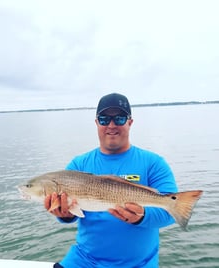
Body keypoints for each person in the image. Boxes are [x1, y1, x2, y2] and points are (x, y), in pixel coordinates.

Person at [44, 93, 178, 268]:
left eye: (120, 119)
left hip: (139, 264)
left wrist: (141, 216)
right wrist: (65, 215)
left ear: (130, 122)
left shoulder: (153, 163)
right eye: (104, 119)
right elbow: (72, 213)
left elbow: (172, 212)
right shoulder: (78, 164)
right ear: (96, 122)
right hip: (84, 261)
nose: (111, 125)